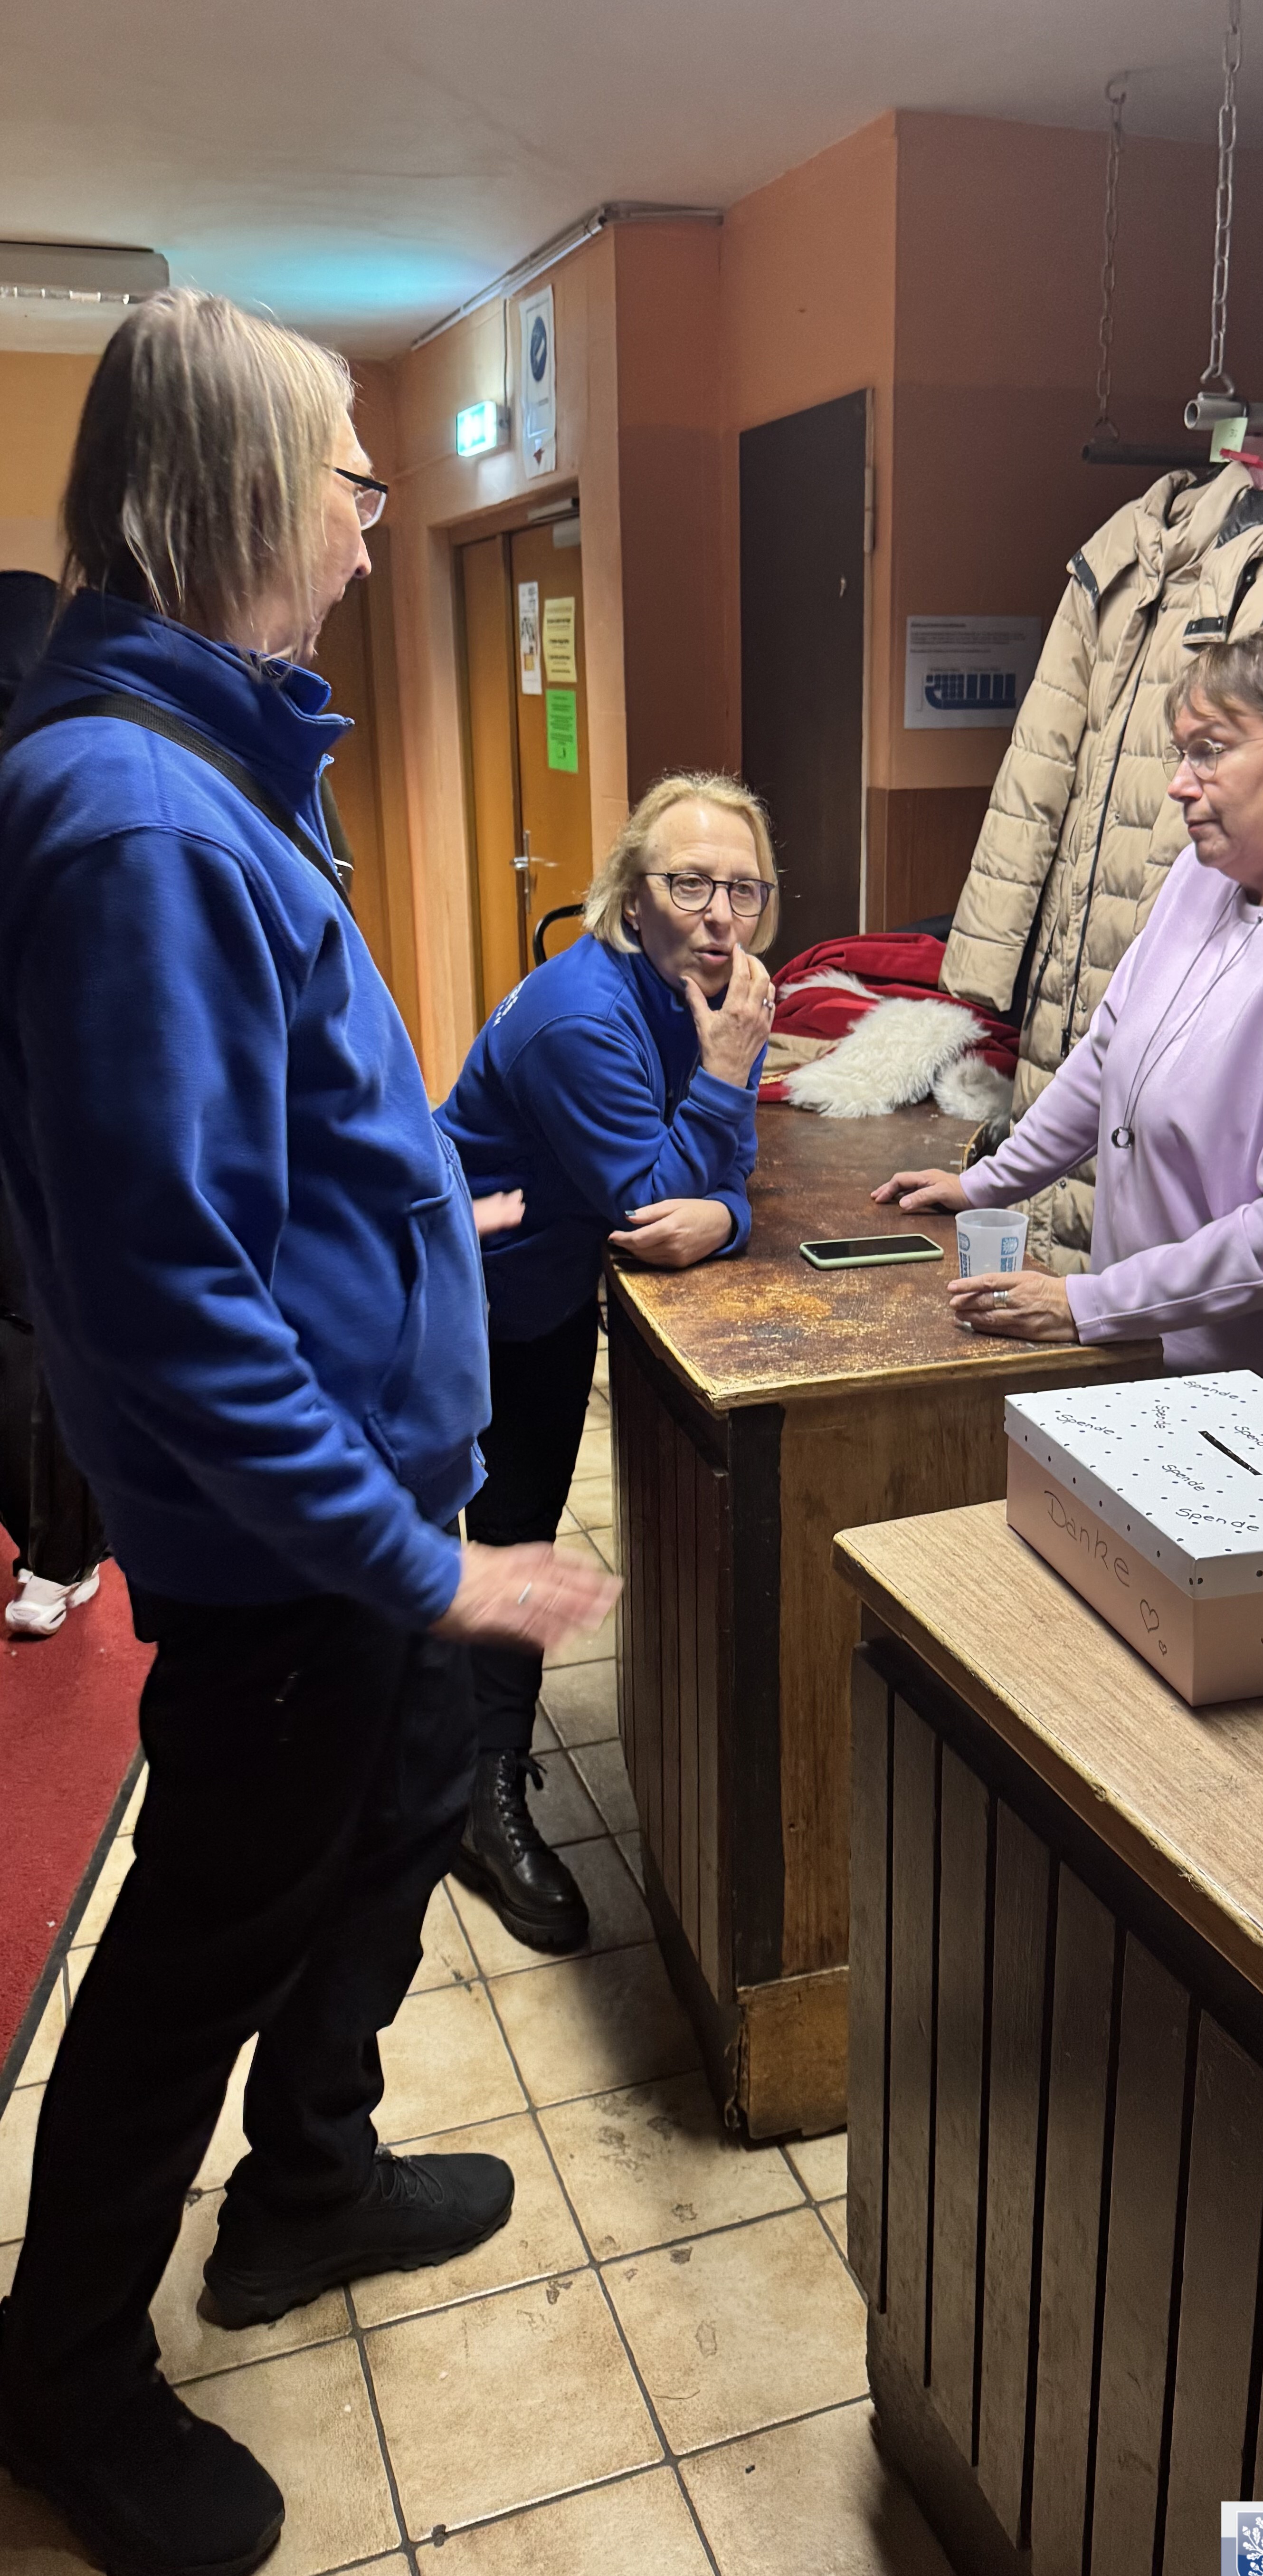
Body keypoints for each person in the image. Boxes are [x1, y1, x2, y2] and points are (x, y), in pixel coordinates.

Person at [0, 291, 617, 2576]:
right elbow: (166, 1294)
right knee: (202, 1947)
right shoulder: (129, 817)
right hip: (298, 1551)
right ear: (249, 495)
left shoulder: (218, 760)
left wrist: (416, 1213)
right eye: (357, 481)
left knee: (391, 1829)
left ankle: (314, 2187)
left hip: (361, 1522)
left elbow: (265, 1137)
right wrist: (422, 1558)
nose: (373, 527)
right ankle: (61, 2376)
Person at [874, 620, 1263, 1480]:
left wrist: (1091, 1304)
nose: (1177, 783)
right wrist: (989, 1181)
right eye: (1180, 752)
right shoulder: (1209, 876)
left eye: (1210, 751)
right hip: (1188, 1377)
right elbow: (1111, 1052)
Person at [436, 773, 776, 1947]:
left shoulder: (714, 994)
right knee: (489, 1537)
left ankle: (466, 1770)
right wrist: (723, 1088)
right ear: (633, 901)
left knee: (513, 1528)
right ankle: (466, 1798)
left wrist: (725, 1212)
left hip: (540, 1285)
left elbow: (718, 1181)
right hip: (464, 1299)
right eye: (689, 885)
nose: (720, 915)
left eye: (743, 889)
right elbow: (648, 1207)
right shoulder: (582, 1020)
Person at [0, 573, 110, 1633]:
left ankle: (58, 1546)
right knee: (47, 1319)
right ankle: (61, 1550)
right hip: (57, 1096)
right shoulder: (76, 770)